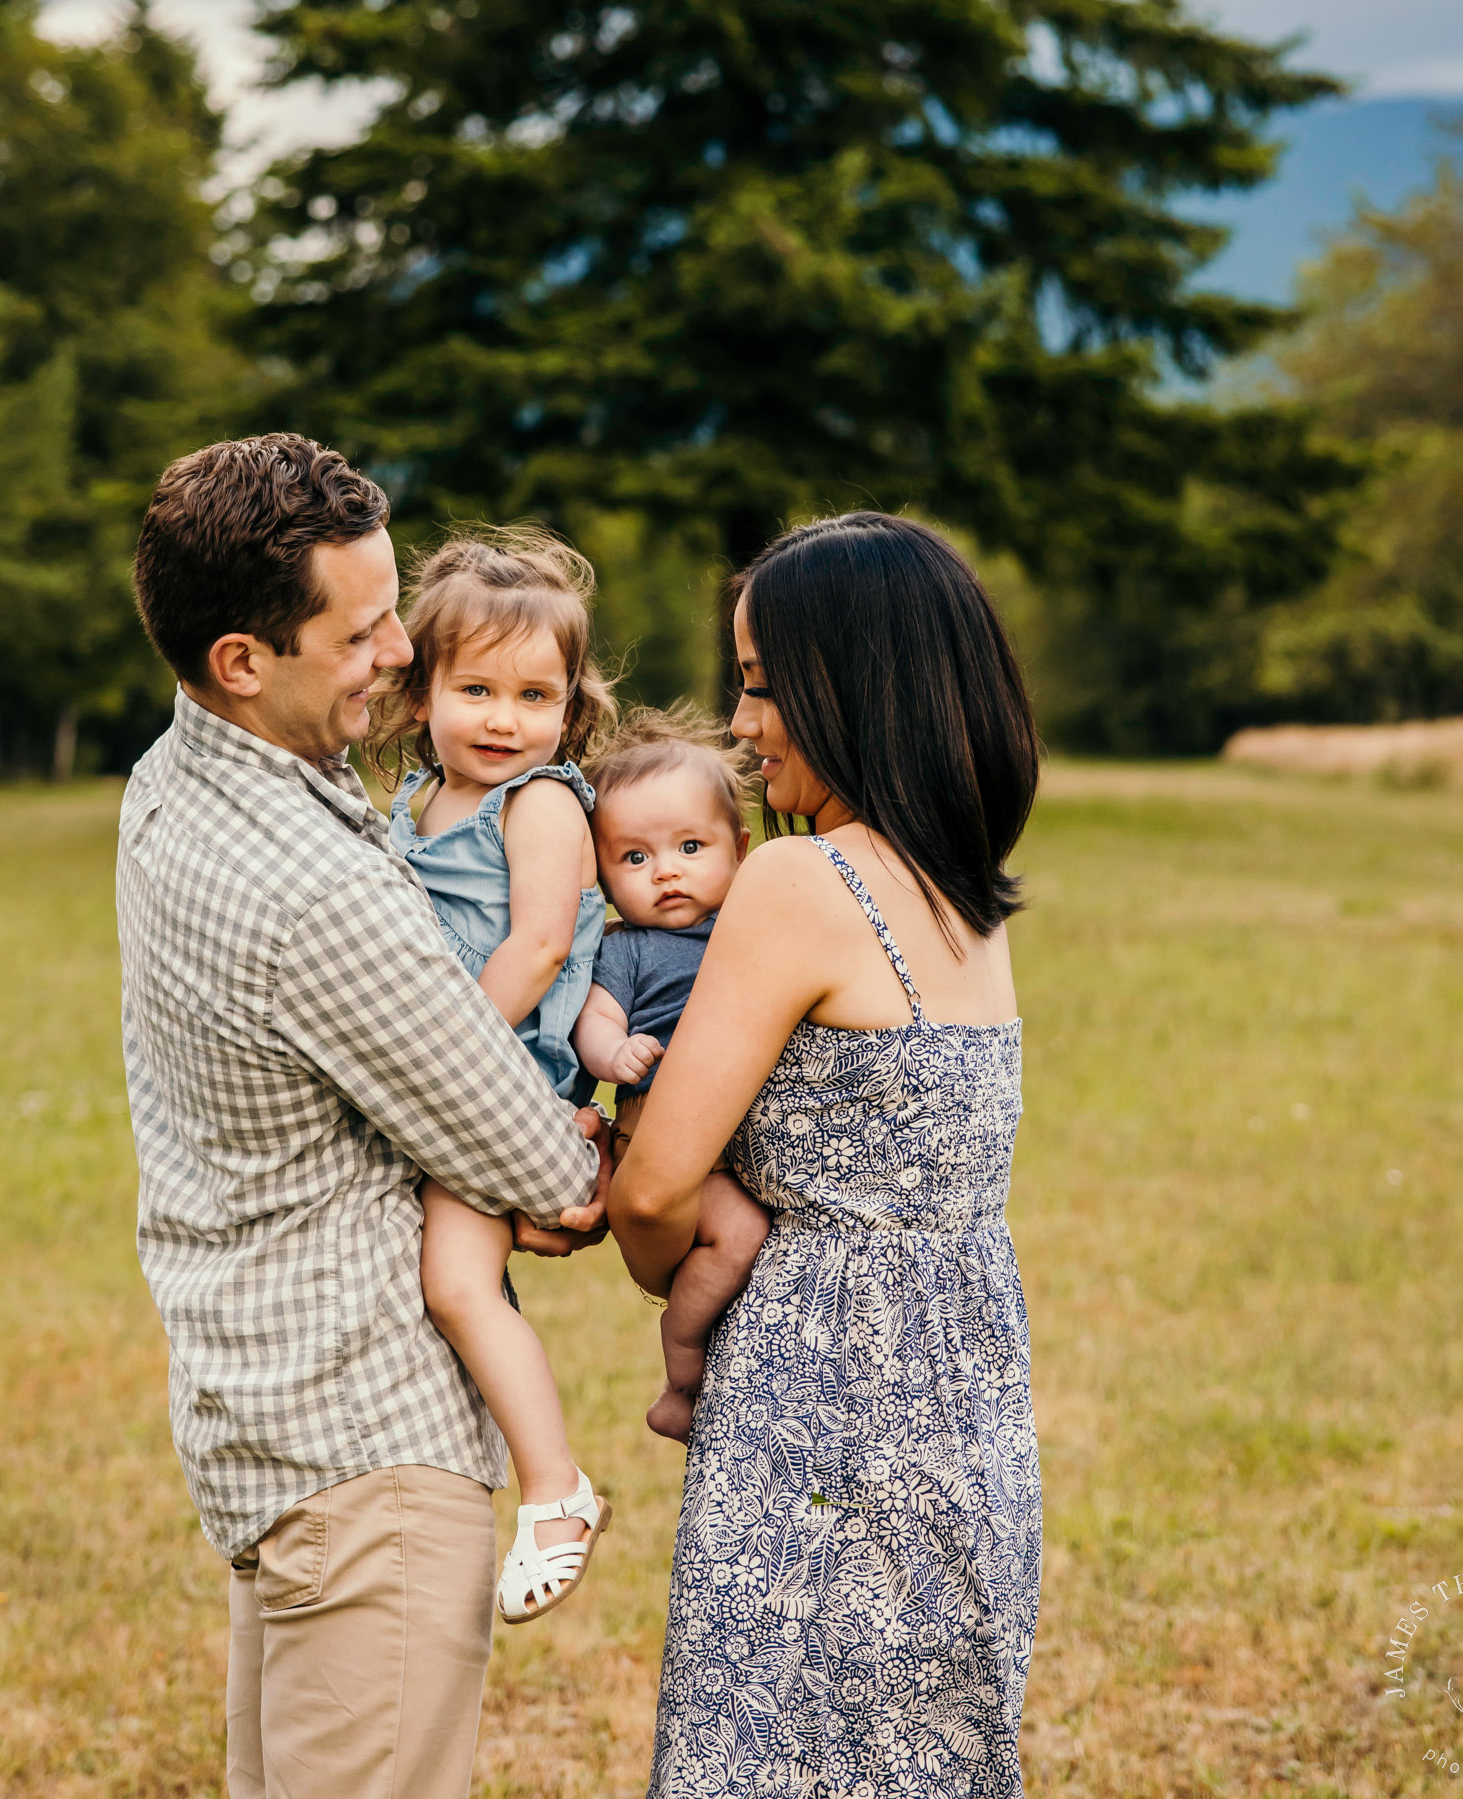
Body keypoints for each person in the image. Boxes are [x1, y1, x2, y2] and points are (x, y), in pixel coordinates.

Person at [115, 434, 610, 1799]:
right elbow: (536, 1165)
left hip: (262, 1420)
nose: (403, 646)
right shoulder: (309, 889)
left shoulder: (173, 778)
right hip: (364, 1447)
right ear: (241, 659)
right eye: (365, 625)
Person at [609, 512, 1045, 1798]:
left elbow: (651, 1184)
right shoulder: (962, 880)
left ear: (848, 683)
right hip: (967, 1394)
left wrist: (658, 1267)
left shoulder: (803, 880)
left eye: (757, 684)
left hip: (821, 1396)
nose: (743, 725)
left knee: (771, 1743)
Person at [368, 528, 618, 1623]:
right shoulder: (416, 798)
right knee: (446, 1284)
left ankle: (556, 1485)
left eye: (534, 694)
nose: (503, 719)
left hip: (498, 1070)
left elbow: (538, 945)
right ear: (420, 686)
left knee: (459, 1284)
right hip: (445, 1067)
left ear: (569, 707)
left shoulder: (542, 803)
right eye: (474, 688)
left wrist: (432, 1049)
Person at [571, 707, 772, 1444]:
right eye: (635, 858)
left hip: (739, 1135)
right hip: (664, 1137)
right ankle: (682, 1374)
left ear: (740, 848)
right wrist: (613, 1053)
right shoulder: (626, 950)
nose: (667, 871)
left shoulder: (751, 923)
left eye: (691, 845)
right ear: (602, 872)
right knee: (740, 1233)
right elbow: (596, 1017)